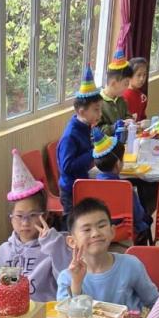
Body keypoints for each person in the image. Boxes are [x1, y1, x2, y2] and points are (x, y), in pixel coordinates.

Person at [0, 149, 72, 302]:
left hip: (43, 311)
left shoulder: (54, 247)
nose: (25, 223)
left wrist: (55, 247)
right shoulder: (4, 250)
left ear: (44, 216)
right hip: (10, 311)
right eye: (19, 216)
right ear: (11, 218)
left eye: (32, 215)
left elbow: (67, 283)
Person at [56, 197, 159, 309]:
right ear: (72, 241)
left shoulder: (131, 265)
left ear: (112, 231)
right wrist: (76, 284)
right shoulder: (67, 278)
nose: (96, 233)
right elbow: (65, 316)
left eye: (101, 226)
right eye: (87, 230)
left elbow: (155, 302)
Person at [90, 127, 152, 245]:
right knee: (146, 219)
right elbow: (138, 216)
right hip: (122, 231)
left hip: (99, 231)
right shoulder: (125, 188)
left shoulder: (91, 186)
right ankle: (140, 250)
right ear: (118, 163)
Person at [58, 66, 103, 210]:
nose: (100, 114)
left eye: (100, 109)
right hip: (70, 190)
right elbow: (67, 167)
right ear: (82, 111)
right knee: (72, 221)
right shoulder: (70, 136)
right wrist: (92, 153)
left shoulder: (86, 126)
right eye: (96, 110)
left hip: (82, 183)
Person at [99, 50, 132, 128]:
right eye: (126, 84)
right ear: (113, 83)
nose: (127, 87)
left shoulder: (121, 100)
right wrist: (117, 126)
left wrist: (130, 120)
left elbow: (127, 115)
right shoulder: (99, 104)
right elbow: (99, 129)